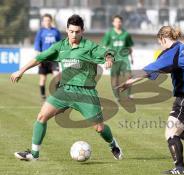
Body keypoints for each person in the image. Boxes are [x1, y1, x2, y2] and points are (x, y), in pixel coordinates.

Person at [11, 14, 123, 161]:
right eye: (71, 31)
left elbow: (107, 52)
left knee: (99, 128)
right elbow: (39, 58)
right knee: (41, 116)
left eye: (77, 31)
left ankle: (113, 144)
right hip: (65, 90)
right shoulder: (61, 46)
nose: (74, 35)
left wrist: (108, 58)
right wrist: (21, 70)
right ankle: (34, 154)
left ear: (83, 31)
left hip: (86, 93)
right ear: (66, 30)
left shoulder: (89, 46)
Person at [116, 26, 184, 174]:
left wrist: (129, 82)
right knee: (182, 132)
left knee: (171, 133)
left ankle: (180, 168)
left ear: (162, 38)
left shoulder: (171, 52)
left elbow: (150, 69)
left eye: (159, 42)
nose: (160, 44)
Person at [101, 15, 134, 101]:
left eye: (119, 21)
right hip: (114, 59)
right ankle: (117, 96)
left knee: (129, 76)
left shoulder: (126, 34)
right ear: (113, 23)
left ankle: (129, 95)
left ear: (121, 22)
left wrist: (132, 58)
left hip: (124, 59)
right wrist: (107, 58)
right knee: (115, 78)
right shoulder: (109, 33)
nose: (118, 23)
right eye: (116, 21)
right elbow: (104, 46)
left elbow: (129, 47)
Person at [34, 14, 61, 101]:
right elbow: (37, 46)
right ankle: (43, 96)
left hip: (53, 58)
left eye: (48, 20)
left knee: (57, 76)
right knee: (43, 78)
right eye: (45, 20)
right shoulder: (40, 32)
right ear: (43, 22)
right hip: (44, 58)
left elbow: (60, 44)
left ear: (51, 21)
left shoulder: (56, 31)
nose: (47, 22)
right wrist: (38, 60)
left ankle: (57, 96)